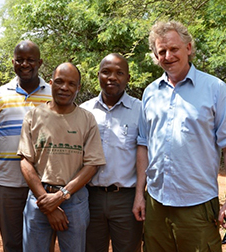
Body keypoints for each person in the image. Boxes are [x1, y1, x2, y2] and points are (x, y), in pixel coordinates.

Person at [133, 20, 226, 252]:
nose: (168, 56)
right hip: (156, 202)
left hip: (197, 205)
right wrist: (139, 195)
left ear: (189, 48)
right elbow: (143, 145)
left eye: (174, 49)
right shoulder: (150, 93)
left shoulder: (215, 88)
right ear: (155, 55)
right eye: (161, 51)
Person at [0, 41, 52, 252]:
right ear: (13, 62)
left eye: (31, 60)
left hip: (45, 185)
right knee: (12, 245)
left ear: (40, 62)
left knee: (43, 245)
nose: (25, 64)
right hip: (8, 185)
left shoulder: (53, 95)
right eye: (20, 60)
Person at [17, 62, 106, 252]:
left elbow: (92, 165)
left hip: (74, 201)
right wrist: (46, 201)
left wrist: (60, 196)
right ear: (50, 83)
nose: (65, 87)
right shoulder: (33, 116)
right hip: (38, 199)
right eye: (59, 82)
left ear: (78, 87)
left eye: (71, 83)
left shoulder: (87, 119)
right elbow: (25, 161)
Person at [80, 53, 143, 252]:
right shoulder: (84, 111)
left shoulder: (141, 110)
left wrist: (140, 196)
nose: (112, 77)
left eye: (119, 73)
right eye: (106, 72)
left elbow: (145, 156)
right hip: (90, 197)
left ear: (128, 78)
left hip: (126, 199)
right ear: (98, 75)